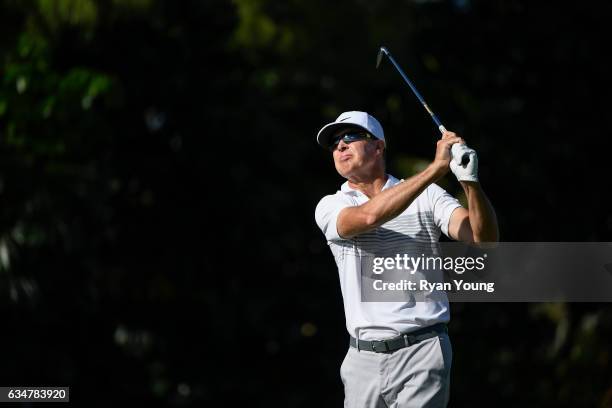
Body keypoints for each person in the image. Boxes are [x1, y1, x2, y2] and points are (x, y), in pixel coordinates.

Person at [314, 111, 498, 408]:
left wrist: (470, 184)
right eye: (335, 143)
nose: (340, 146)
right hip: (361, 360)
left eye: (349, 137)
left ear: (378, 147)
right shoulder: (331, 205)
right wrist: (436, 168)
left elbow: (484, 240)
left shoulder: (430, 197)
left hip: (422, 351)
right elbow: (369, 216)